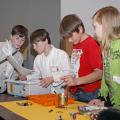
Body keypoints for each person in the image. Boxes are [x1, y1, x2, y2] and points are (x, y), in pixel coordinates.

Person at [59, 14, 103, 102]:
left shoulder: (91, 44)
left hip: (90, 94)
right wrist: (69, 88)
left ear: (80, 29)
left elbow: (99, 73)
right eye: (67, 38)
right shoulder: (76, 43)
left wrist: (76, 81)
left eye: (70, 36)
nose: (69, 40)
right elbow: (76, 70)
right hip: (78, 93)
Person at [89, 6, 120, 107]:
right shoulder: (105, 48)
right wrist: (101, 99)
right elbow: (107, 79)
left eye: (95, 27)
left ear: (105, 26)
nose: (94, 31)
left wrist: (107, 104)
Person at [29, 28, 71, 94]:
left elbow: (68, 73)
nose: (34, 47)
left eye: (35, 44)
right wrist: (26, 77)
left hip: (62, 94)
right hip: (46, 94)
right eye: (33, 45)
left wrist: (53, 78)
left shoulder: (61, 54)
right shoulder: (37, 58)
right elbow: (37, 74)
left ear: (45, 40)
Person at [0, 25, 28, 93]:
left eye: (22, 40)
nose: (19, 42)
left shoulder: (20, 57)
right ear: (11, 36)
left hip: (3, 89)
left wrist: (21, 76)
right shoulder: (1, 46)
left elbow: (13, 77)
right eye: (17, 38)